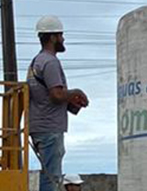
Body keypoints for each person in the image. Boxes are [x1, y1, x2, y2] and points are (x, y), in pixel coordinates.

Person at [29, 15, 89, 191]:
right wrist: (76, 93)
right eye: (61, 35)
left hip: (39, 125)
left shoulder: (36, 62)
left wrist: (70, 102)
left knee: (49, 175)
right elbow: (56, 94)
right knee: (52, 178)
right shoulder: (50, 62)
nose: (63, 39)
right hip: (49, 128)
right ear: (53, 37)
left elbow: (43, 96)